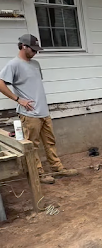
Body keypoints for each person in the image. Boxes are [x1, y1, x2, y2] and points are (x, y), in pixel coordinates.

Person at [0, 34, 78, 185]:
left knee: (50, 141)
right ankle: (39, 173)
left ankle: (57, 168)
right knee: (32, 145)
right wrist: (18, 100)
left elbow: (35, 86)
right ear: (23, 46)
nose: (36, 52)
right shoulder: (13, 64)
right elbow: (1, 83)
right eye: (33, 49)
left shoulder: (35, 64)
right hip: (29, 115)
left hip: (43, 111)